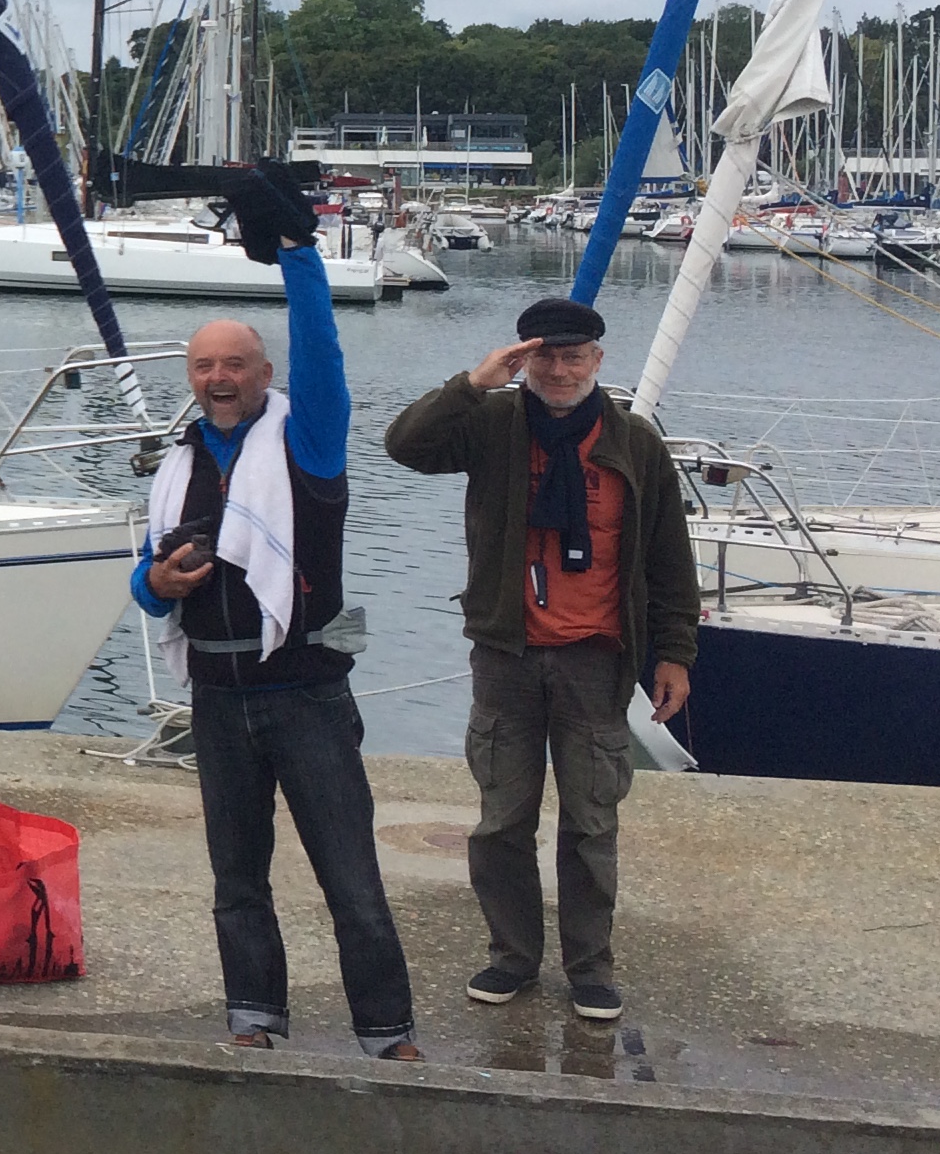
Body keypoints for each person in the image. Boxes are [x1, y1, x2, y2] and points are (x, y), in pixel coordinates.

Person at [133, 170, 419, 1060]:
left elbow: (322, 351)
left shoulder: (309, 441)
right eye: (204, 367)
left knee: (352, 881)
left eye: (236, 366)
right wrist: (158, 584)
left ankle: (389, 1034)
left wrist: (299, 254)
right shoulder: (177, 466)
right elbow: (143, 585)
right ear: (192, 378)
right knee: (236, 882)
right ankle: (253, 1019)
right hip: (218, 700)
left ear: (264, 375)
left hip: (306, 696)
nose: (219, 379)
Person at [382, 295, 695, 1023]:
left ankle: (590, 968)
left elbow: (669, 560)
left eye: (573, 357)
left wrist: (675, 653)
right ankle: (512, 957)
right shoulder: (492, 425)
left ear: (597, 360)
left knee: (591, 824)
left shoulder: (636, 443)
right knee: (501, 823)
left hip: (597, 659)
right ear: (522, 359)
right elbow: (405, 446)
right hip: (507, 656)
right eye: (543, 357)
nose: (559, 371)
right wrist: (474, 382)